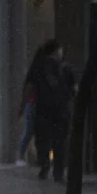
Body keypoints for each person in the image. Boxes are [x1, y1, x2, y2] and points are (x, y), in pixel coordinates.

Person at [25, 39, 75, 181]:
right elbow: (74, 89)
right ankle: (58, 171)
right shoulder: (66, 68)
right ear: (56, 51)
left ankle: (45, 165)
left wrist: (25, 105)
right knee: (60, 142)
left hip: (43, 110)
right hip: (62, 111)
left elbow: (29, 87)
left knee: (43, 140)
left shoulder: (38, 67)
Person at [16, 82, 37, 166]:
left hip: (37, 105)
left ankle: (38, 158)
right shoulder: (33, 79)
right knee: (28, 132)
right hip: (32, 105)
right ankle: (21, 157)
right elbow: (26, 94)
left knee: (31, 132)